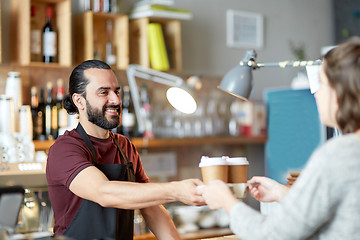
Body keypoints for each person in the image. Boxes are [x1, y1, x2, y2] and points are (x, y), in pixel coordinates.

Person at [197, 37, 360, 239]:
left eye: (323, 83)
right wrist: (281, 193)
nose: (316, 93)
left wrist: (227, 202)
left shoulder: (339, 154)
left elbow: (271, 235)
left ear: (342, 93)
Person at [46, 60, 205, 240]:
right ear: (79, 101)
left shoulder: (124, 146)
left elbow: (151, 208)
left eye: (117, 91)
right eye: (104, 92)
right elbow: (104, 192)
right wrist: (176, 190)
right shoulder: (65, 149)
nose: (115, 100)